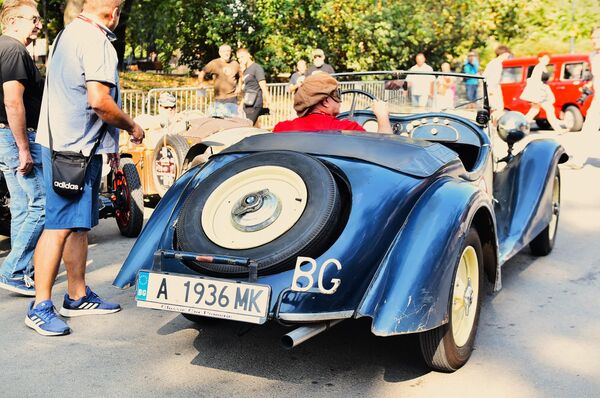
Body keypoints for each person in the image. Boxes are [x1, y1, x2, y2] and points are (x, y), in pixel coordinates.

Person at [31, 0, 145, 336]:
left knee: (78, 226)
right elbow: (99, 101)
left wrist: (109, 146)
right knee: (59, 226)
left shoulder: (69, 33)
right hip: (74, 152)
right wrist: (132, 127)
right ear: (114, 14)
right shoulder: (97, 41)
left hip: (72, 146)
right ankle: (39, 305)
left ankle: (77, 296)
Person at [0, 0, 45, 296]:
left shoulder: (7, 48)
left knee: (21, 207)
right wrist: (24, 148)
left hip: (7, 137)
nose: (39, 24)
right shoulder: (13, 49)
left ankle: (22, 272)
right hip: (17, 138)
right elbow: (13, 101)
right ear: (14, 21)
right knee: (41, 205)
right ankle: (13, 270)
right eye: (33, 19)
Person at [272, 73, 392, 133]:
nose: (340, 101)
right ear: (325, 101)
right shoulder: (347, 129)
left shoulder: (282, 129)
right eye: (337, 94)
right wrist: (382, 117)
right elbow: (385, 150)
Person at [567, 27, 600, 168]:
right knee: (589, 128)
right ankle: (578, 159)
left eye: (597, 38)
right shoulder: (593, 56)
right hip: (598, 99)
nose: (594, 41)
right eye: (593, 38)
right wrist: (589, 85)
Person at [520, 52, 567, 134]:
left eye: (548, 58)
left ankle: (520, 127)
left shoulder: (543, 67)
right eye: (545, 58)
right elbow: (536, 81)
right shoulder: (538, 68)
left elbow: (544, 82)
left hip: (541, 92)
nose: (547, 60)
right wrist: (539, 95)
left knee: (535, 111)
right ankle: (558, 130)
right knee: (546, 110)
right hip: (539, 93)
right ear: (540, 59)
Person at [197, 44, 240, 116]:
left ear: (230, 52)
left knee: (233, 121)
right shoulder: (214, 63)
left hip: (232, 98)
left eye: (228, 51)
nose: (226, 53)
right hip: (220, 98)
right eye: (224, 51)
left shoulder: (235, 63)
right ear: (220, 53)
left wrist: (239, 86)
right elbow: (202, 73)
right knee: (221, 121)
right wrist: (200, 83)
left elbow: (241, 76)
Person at [237, 48, 270, 127]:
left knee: (247, 126)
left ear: (248, 55)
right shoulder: (245, 70)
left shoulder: (256, 68)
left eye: (242, 56)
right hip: (247, 103)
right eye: (238, 58)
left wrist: (270, 102)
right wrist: (241, 104)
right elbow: (244, 89)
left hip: (255, 104)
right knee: (254, 127)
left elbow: (263, 87)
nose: (240, 60)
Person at [483, 45, 512, 124]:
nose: (508, 56)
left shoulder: (495, 62)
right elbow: (492, 78)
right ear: (502, 53)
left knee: (497, 108)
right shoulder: (496, 64)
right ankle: (492, 125)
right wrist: (491, 91)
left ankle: (493, 125)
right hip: (493, 88)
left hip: (493, 87)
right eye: (507, 54)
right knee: (498, 108)